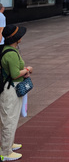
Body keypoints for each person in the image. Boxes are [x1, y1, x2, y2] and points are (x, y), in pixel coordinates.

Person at [0, 25, 33, 161]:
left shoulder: (7, 50)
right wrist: (27, 70)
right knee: (9, 119)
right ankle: (5, 152)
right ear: (16, 39)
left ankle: (8, 144)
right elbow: (14, 74)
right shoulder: (11, 54)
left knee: (9, 118)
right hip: (11, 89)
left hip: (9, 88)